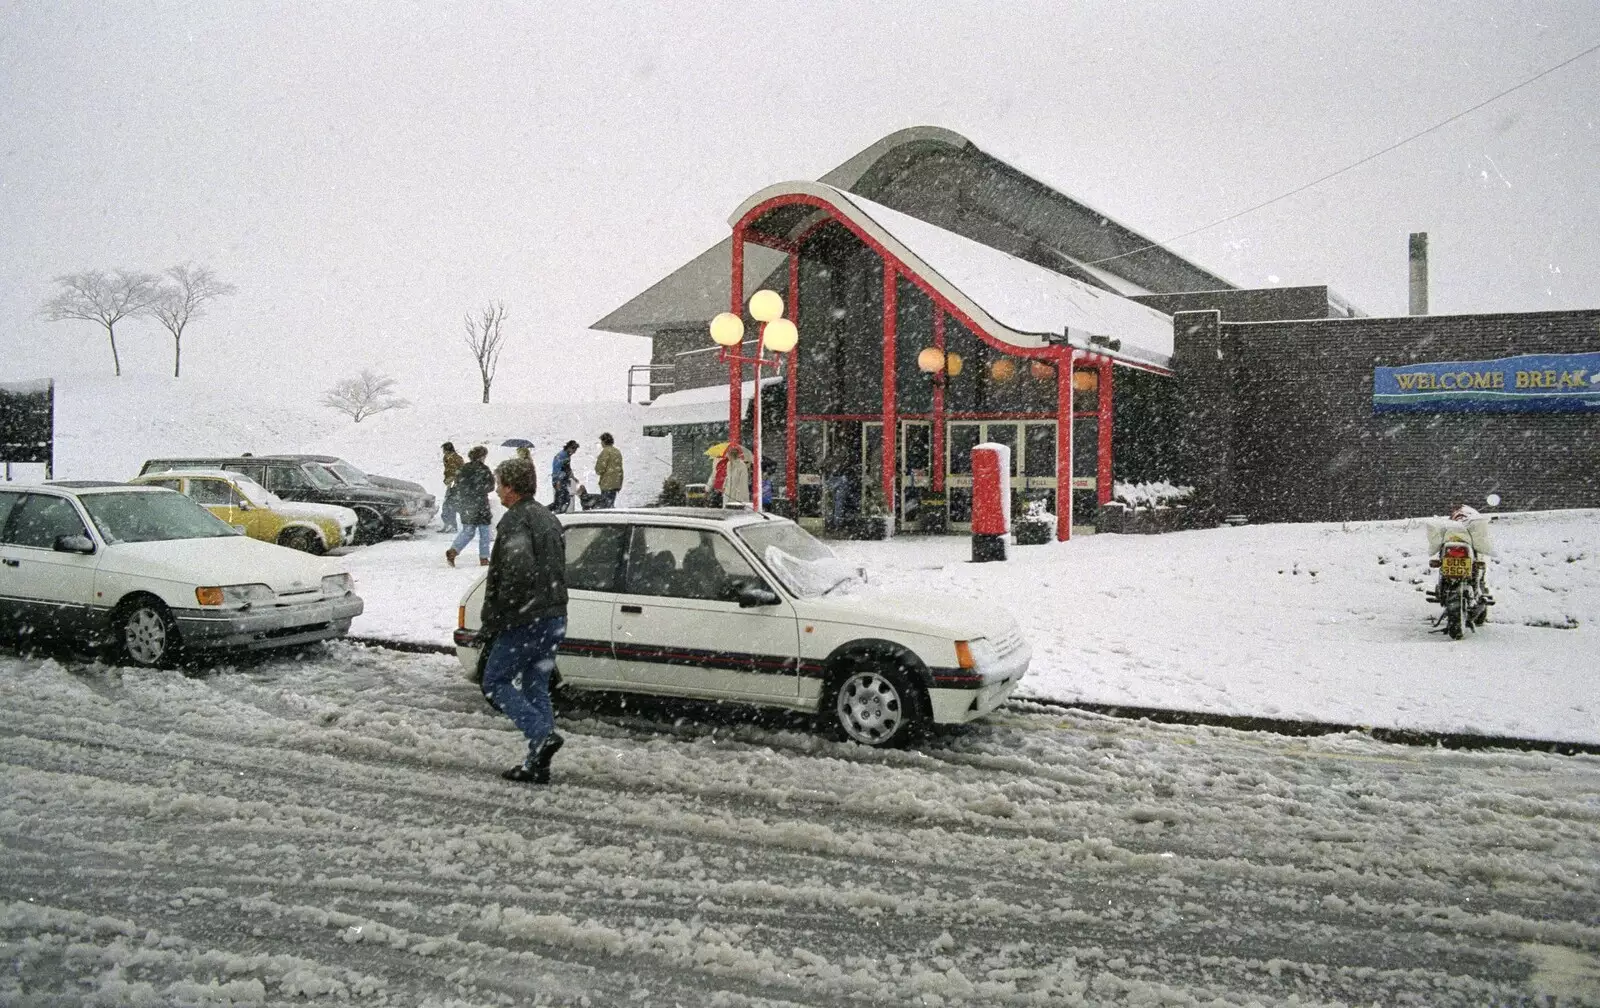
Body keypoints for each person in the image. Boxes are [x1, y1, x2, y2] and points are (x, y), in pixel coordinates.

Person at [480, 456, 568, 784]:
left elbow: (516, 573)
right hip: (554, 614)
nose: (497, 491)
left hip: (525, 618)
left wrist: (497, 618)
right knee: (535, 685)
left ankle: (541, 735)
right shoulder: (548, 517)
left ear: (512, 487)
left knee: (494, 682)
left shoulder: (516, 521)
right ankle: (537, 763)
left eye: (500, 484)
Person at [445, 446, 495, 567]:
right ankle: (484, 558)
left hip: (466, 504)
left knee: (468, 531)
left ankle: (453, 551)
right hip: (481, 504)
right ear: (482, 457)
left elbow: (458, 485)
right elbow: (491, 486)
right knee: (484, 532)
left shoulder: (463, 469)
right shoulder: (484, 469)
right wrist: (480, 489)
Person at [593, 432, 623, 508]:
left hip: (607, 483)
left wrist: (597, 469)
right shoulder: (617, 451)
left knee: (606, 506)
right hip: (616, 482)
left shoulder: (605, 451)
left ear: (604, 441)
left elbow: (600, 469)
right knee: (611, 503)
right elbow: (620, 468)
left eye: (601, 442)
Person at [439, 442, 464, 532]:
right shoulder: (450, 457)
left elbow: (457, 472)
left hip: (455, 484)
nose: (443, 452)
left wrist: (451, 481)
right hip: (453, 484)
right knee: (449, 504)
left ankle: (451, 525)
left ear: (447, 449)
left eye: (444, 450)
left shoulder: (454, 458)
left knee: (449, 504)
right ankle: (449, 524)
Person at [551, 440, 579, 513]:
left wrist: (573, 477)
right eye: (573, 449)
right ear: (569, 447)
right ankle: (547, 511)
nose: (574, 452)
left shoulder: (566, 456)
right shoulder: (561, 456)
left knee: (564, 500)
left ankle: (558, 512)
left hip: (563, 481)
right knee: (560, 501)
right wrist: (558, 481)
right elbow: (556, 470)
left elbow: (568, 469)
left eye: (575, 450)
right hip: (559, 481)